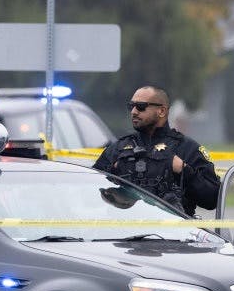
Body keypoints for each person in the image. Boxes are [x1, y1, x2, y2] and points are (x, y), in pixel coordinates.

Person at [94, 86, 220, 215]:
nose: (134, 111)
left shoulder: (187, 148)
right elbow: (89, 194)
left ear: (162, 111)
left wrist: (184, 170)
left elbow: (212, 199)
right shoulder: (117, 149)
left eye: (141, 106)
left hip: (173, 232)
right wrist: (113, 176)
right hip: (124, 230)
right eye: (131, 106)